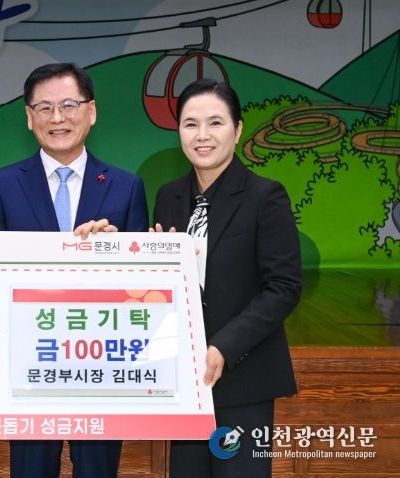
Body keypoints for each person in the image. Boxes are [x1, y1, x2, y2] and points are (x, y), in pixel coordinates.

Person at [0, 63, 149, 478]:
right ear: (29, 117)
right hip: (29, 364)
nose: (57, 118)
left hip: (102, 365)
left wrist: (115, 253)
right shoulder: (0, 185)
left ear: (91, 111)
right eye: (45, 107)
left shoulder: (126, 187)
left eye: (69, 105)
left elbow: (142, 288)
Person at [151, 78, 302, 477]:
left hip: (242, 376)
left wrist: (223, 347)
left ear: (237, 130)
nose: (202, 135)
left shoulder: (265, 196)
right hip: (185, 383)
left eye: (215, 123)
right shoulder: (168, 197)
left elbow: (283, 288)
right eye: (190, 124)